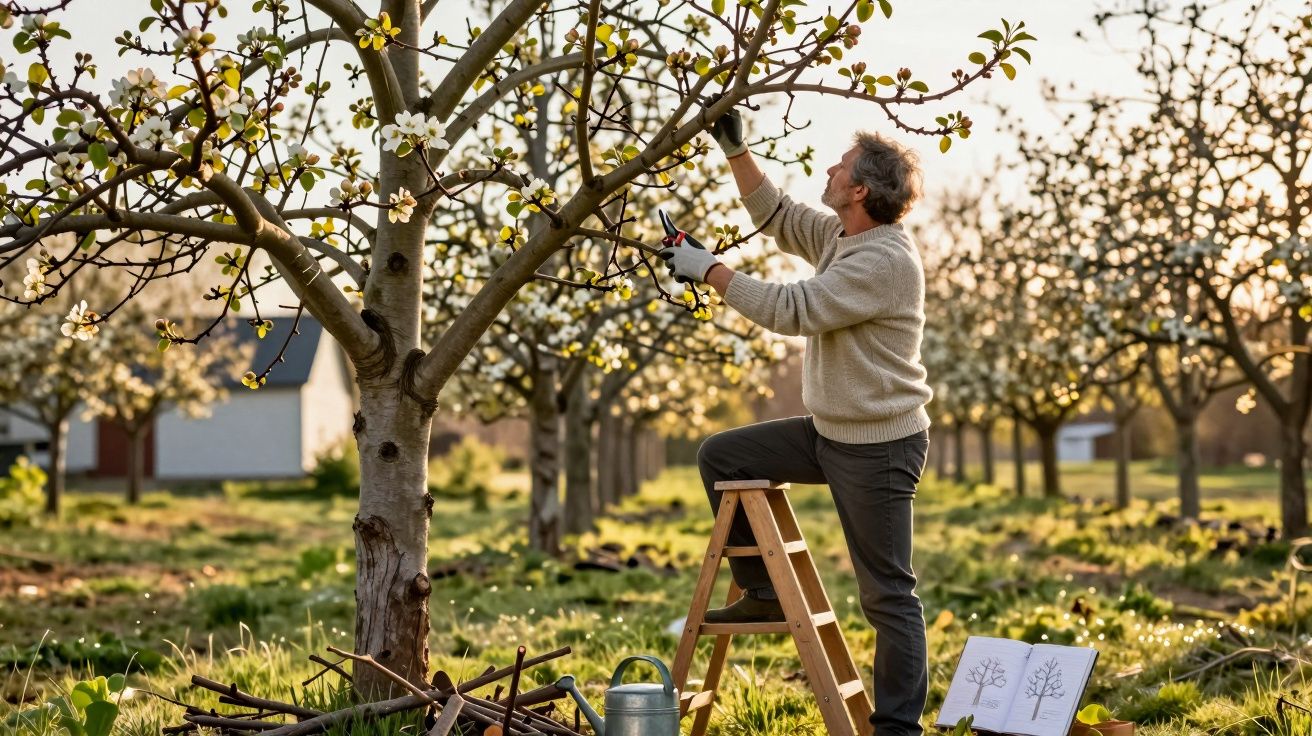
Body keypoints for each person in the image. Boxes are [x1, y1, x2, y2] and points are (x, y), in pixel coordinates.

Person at [657, 103, 934, 736]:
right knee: (722, 456)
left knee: (886, 593)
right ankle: (762, 591)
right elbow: (777, 216)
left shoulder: (884, 261)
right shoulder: (843, 236)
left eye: (841, 165)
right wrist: (735, 149)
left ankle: (897, 728)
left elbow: (792, 309)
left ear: (859, 189)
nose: (830, 168)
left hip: (880, 444)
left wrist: (708, 270)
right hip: (829, 431)